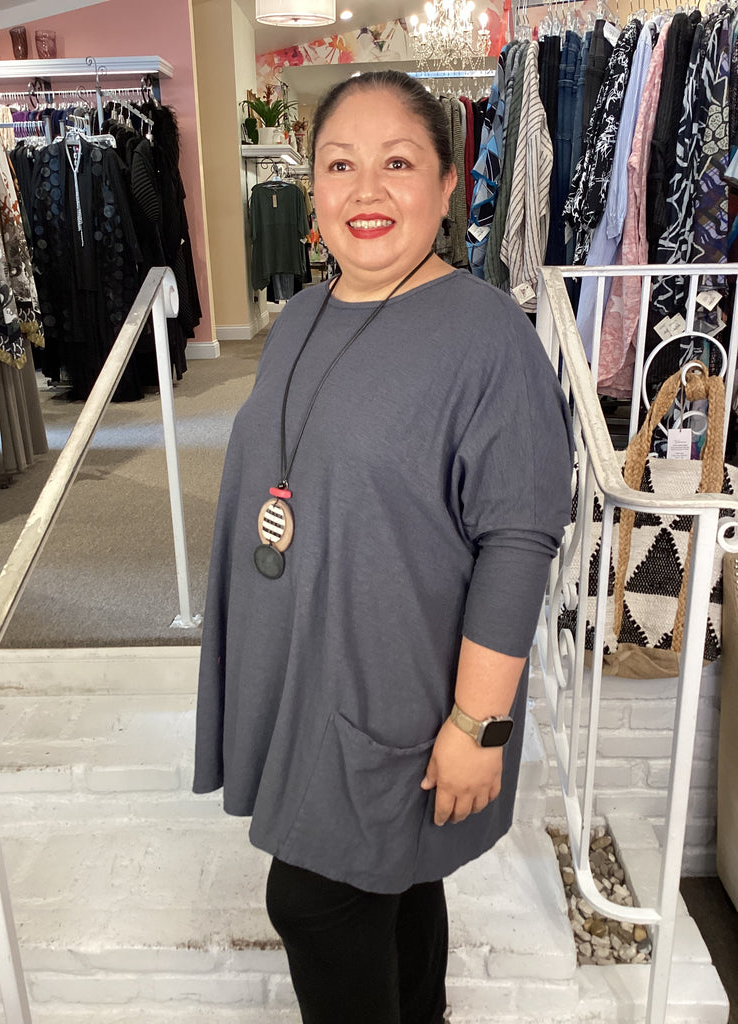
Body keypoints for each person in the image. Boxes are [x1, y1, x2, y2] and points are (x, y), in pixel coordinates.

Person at [194, 70, 573, 1024]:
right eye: (340, 165)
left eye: (397, 163)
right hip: (306, 669)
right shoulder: (305, 313)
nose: (366, 191)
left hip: (394, 688)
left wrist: (478, 727)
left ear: (447, 184)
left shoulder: (486, 335)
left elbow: (517, 541)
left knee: (313, 900)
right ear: (311, 186)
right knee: (394, 884)